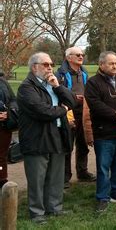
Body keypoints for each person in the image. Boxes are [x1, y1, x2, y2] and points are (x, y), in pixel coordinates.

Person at [17, 52, 76, 224]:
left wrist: (58, 87)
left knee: (56, 176)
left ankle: (55, 208)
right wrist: (63, 110)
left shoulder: (53, 83)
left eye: (51, 64)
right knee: (37, 177)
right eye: (45, 64)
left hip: (57, 134)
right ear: (35, 67)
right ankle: (37, 212)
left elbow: (72, 101)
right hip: (37, 138)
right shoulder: (26, 87)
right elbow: (43, 111)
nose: (50, 67)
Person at [84, 51, 116, 212]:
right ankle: (102, 197)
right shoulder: (93, 83)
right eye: (111, 63)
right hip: (104, 133)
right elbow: (95, 104)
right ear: (101, 65)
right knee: (103, 167)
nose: (115, 66)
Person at [56, 47, 95, 188]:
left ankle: (82, 172)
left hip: (83, 111)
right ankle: (65, 177)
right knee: (68, 144)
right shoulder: (60, 74)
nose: (81, 56)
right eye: (77, 55)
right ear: (68, 57)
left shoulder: (83, 71)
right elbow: (57, 92)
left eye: (82, 54)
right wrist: (73, 98)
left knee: (83, 143)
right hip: (68, 111)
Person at [0, 70, 17, 189]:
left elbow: (13, 101)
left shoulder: (3, 82)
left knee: (1, 157)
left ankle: (2, 180)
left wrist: (8, 114)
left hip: (3, 127)